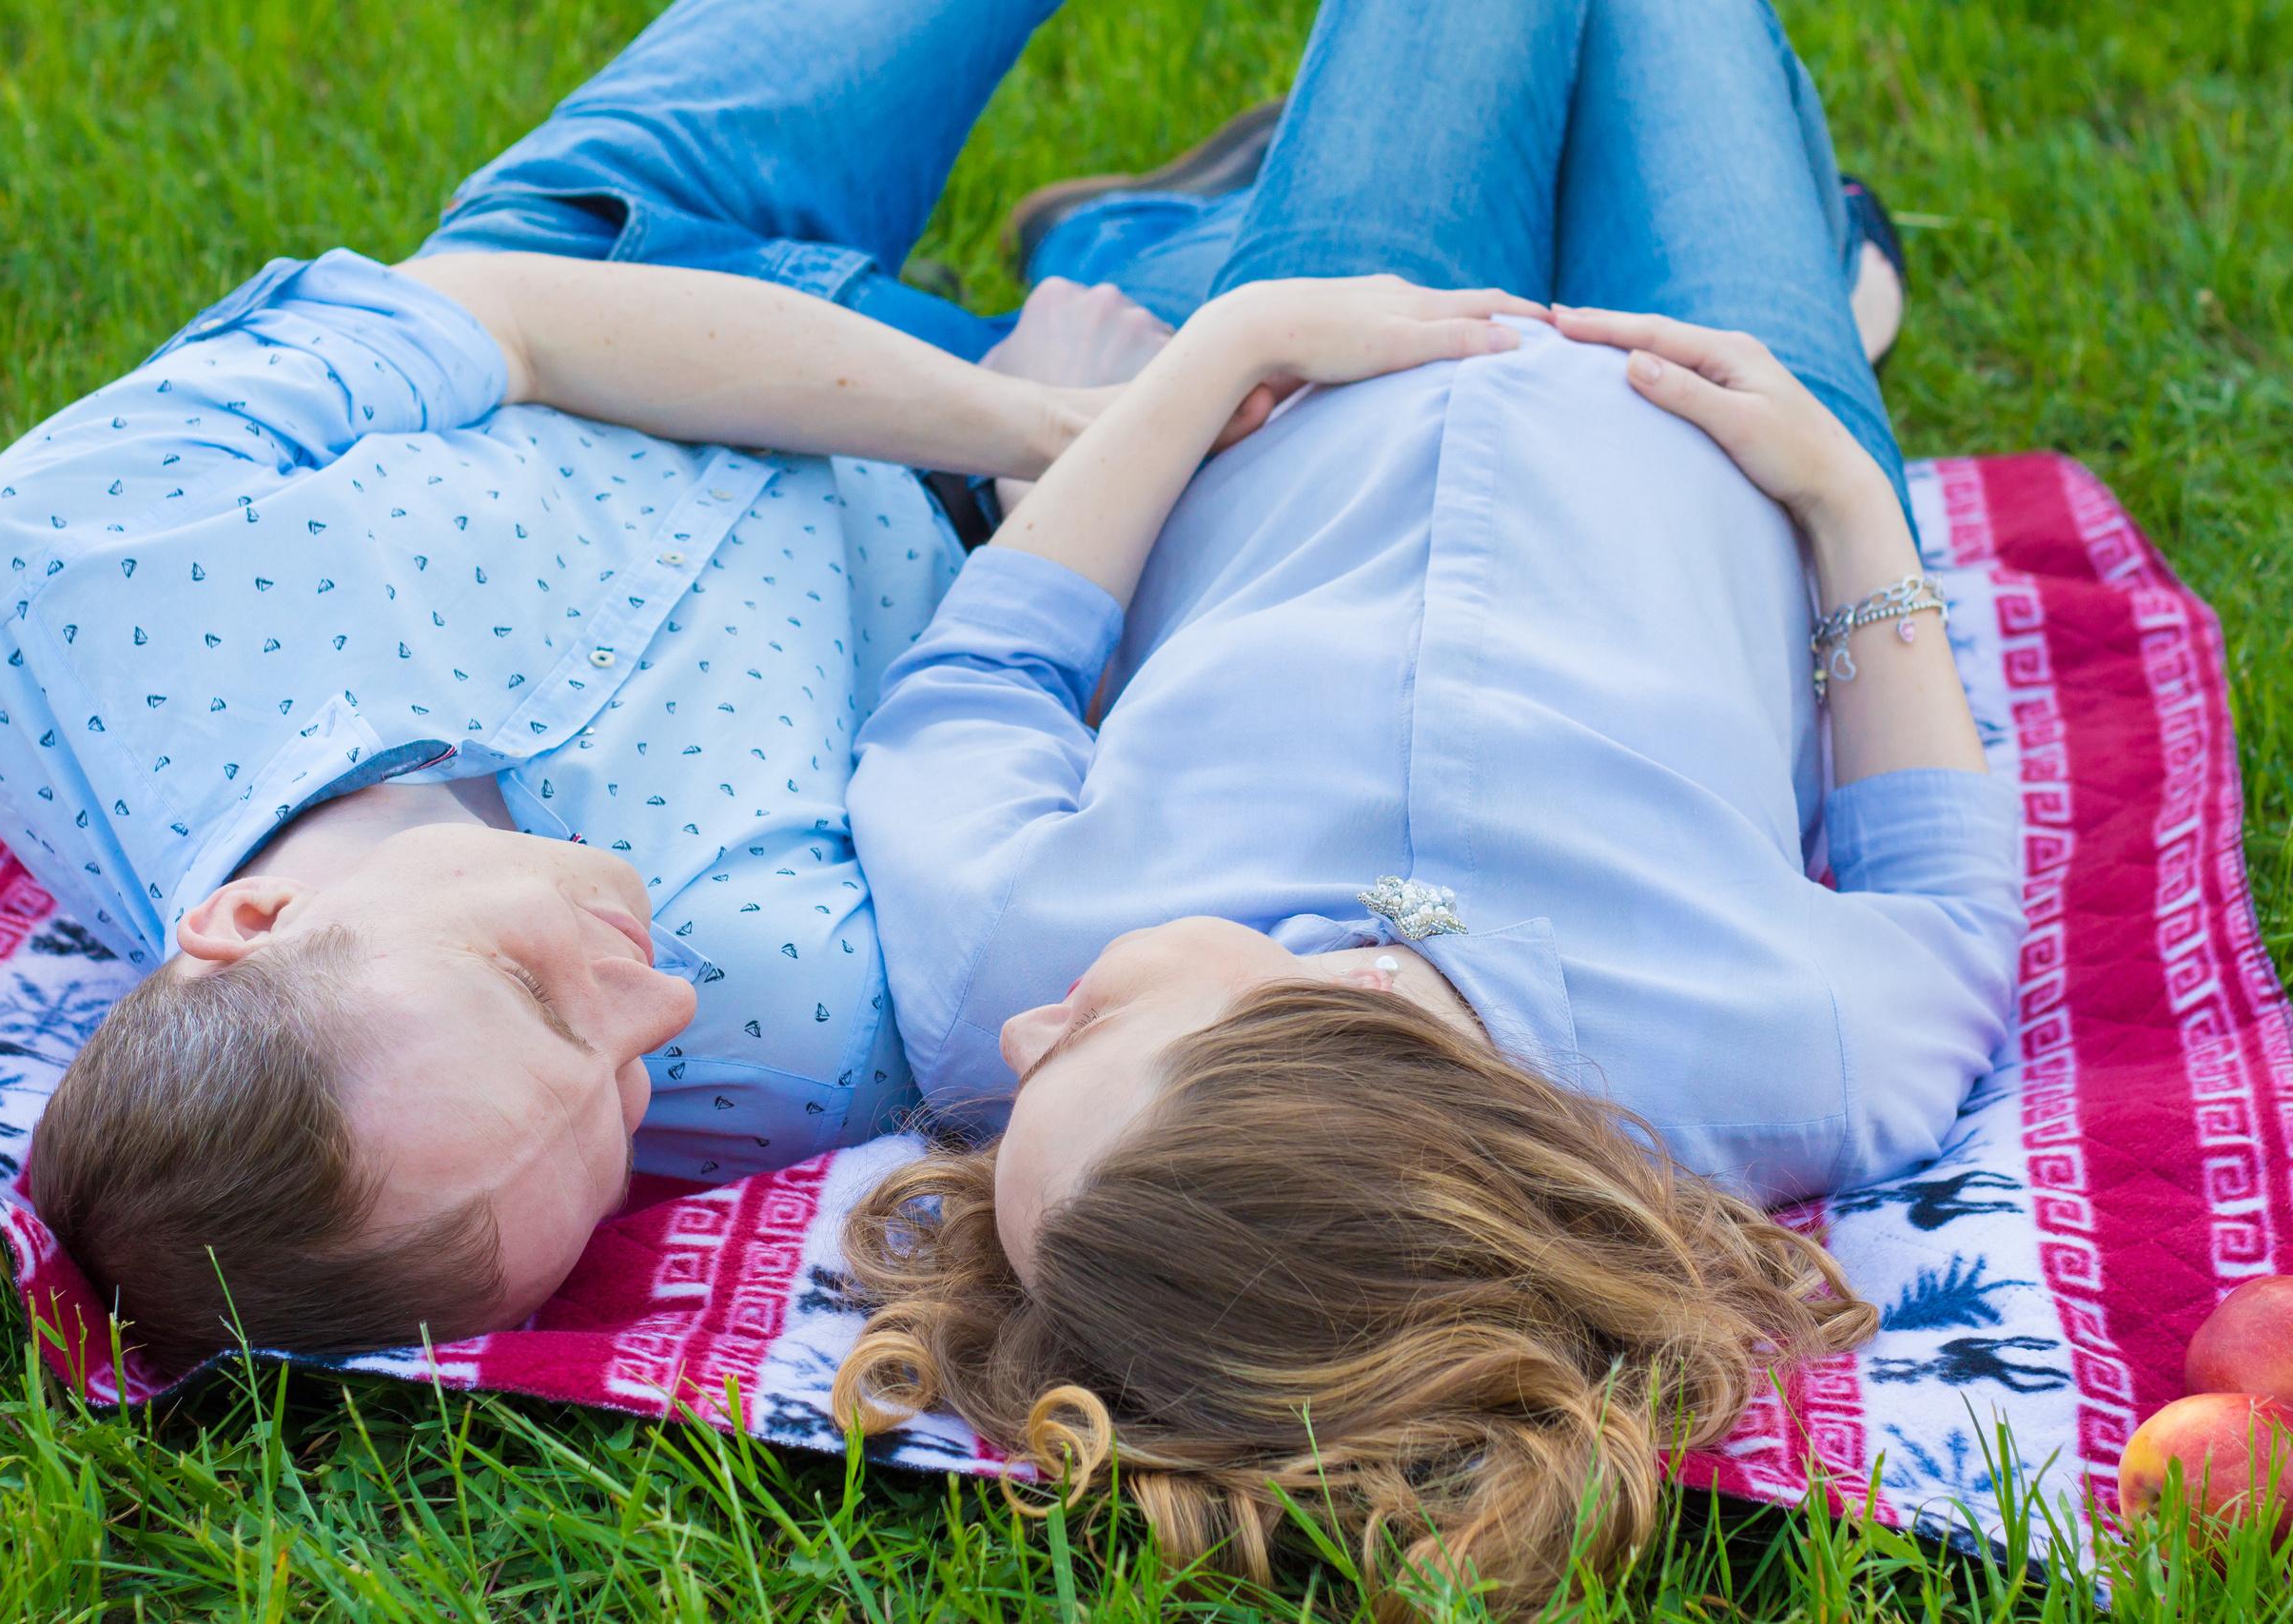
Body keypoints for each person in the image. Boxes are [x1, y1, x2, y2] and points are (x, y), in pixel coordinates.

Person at [831, 0, 2022, 1614]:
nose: (1025, 1036)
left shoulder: (996, 971)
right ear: (1337, 1041)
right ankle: (1156, 234)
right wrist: (1846, 496)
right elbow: (1942, 896)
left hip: (1331, 357)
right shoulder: (1773, 1062)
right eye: (1089, 1035)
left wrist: (1222, 354)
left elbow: (983, 675)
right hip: (1741, 424)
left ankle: (1174, 252)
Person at [0, 0, 1240, 1365]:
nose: (663, 1011)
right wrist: (1092, 457)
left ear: (254, 919)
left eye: (534, 995)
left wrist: (1049, 415)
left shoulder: (65, 575)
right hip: (977, 500)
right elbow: (1021, 721)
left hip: (636, 257)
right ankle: (1128, 241)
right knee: (1349, 265)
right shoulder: (794, 1065)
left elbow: (510, 320)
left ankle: (1127, 247)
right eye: (621, 1114)